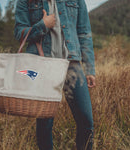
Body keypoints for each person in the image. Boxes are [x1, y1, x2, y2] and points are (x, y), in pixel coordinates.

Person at [14, 0, 96, 150]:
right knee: (45, 122)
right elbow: (19, 33)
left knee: (86, 120)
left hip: (72, 65)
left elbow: (84, 33)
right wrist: (42, 26)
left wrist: (89, 68)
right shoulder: (25, 1)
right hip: (43, 65)